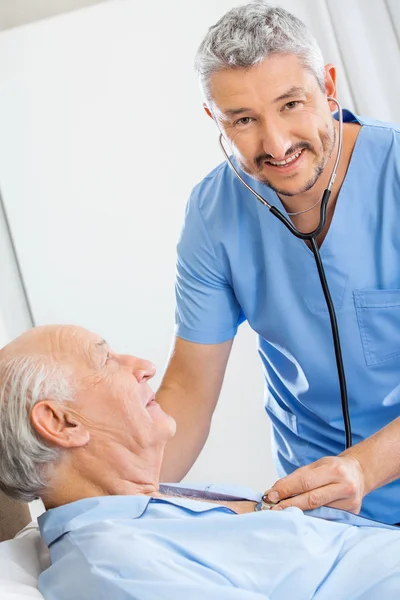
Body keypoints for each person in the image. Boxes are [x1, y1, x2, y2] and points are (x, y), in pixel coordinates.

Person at [155, 1, 400, 525]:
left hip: (365, 478)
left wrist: (365, 467)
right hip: (323, 518)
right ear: (214, 119)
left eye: (291, 104)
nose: (277, 143)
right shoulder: (212, 215)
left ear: (329, 88)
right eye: (244, 120)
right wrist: (119, 490)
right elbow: (189, 390)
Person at [0, 324, 399, 599]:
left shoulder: (159, 502)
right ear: (61, 422)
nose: (144, 366)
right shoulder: (116, 565)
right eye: (106, 361)